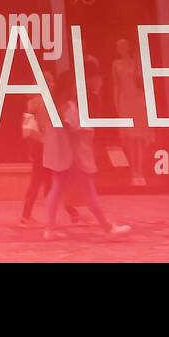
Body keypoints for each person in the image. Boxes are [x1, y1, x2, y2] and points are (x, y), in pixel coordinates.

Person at [44, 71, 131, 240]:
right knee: (89, 191)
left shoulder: (55, 106)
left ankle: (50, 229)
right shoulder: (67, 106)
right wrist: (88, 130)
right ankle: (107, 227)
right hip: (75, 156)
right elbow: (75, 128)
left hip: (62, 156)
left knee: (56, 189)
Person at [19, 67, 81, 227]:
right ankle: (67, 213)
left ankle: (59, 215)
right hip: (43, 146)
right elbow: (29, 129)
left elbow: (28, 130)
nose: (53, 84)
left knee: (47, 181)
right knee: (49, 181)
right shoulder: (42, 102)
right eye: (51, 81)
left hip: (41, 146)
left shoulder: (35, 102)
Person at [111, 38, 151, 187]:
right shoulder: (116, 64)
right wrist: (117, 104)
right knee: (129, 138)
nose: (121, 48)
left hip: (137, 100)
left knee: (139, 138)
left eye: (124, 45)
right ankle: (133, 171)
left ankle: (140, 171)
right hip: (125, 101)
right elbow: (116, 84)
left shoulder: (135, 63)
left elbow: (143, 80)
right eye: (119, 46)